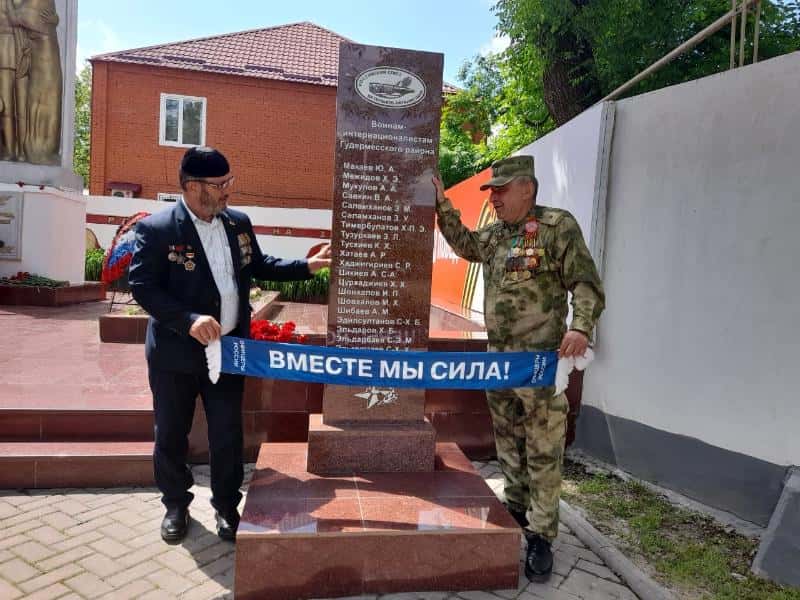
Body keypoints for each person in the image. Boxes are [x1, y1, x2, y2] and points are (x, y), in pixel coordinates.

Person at [129, 146, 331, 543]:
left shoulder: (237, 223)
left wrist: (306, 266)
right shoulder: (157, 229)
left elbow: (259, 264)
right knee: (171, 431)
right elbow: (142, 286)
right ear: (192, 187)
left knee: (227, 433)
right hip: (176, 354)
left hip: (230, 352)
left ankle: (226, 505)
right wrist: (188, 320)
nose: (228, 192)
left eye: (229, 183)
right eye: (220, 185)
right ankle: (175, 503)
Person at [433, 155, 604, 581]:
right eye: (491, 192)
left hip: (540, 363)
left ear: (527, 188)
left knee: (543, 449)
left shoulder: (555, 227)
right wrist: (442, 205)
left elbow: (584, 281)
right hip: (499, 362)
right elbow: (465, 244)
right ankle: (514, 506)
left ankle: (542, 535)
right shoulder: (494, 235)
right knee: (508, 440)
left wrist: (581, 327)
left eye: (501, 190)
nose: (494, 199)